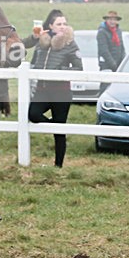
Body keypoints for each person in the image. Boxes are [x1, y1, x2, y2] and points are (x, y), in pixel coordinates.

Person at [23, 9, 83, 168]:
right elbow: (32, 59)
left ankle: (58, 165)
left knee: (59, 130)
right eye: (59, 24)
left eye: (64, 23)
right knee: (33, 114)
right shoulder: (42, 43)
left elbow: (79, 68)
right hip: (42, 90)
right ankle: (51, 126)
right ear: (50, 26)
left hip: (61, 92)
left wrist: (59, 72)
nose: (63, 26)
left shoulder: (70, 44)